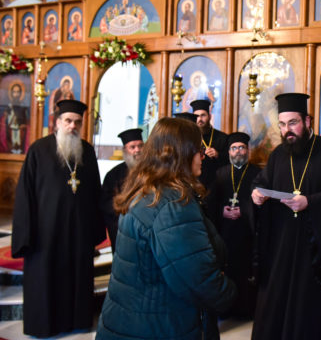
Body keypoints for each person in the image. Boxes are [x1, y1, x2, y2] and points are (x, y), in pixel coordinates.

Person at [96, 117, 237, 340]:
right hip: (159, 323)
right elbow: (197, 278)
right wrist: (228, 292)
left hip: (133, 318)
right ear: (181, 153)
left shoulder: (147, 188)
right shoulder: (172, 204)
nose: (202, 156)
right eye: (199, 150)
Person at [251, 92, 321, 340]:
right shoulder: (278, 155)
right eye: (282, 124)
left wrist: (310, 202)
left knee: (307, 309)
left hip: (314, 248)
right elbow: (261, 182)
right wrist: (257, 194)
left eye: (293, 123)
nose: (287, 130)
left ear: (307, 121)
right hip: (281, 246)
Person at [12, 99, 105, 337]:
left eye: (77, 122)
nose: (72, 126)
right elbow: (25, 194)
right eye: (68, 121)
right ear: (57, 122)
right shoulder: (38, 150)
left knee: (76, 279)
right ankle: (44, 325)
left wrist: (95, 232)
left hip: (78, 234)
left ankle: (77, 321)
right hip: (45, 234)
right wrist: (25, 235)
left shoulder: (87, 152)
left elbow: (96, 192)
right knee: (46, 280)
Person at [208, 132, 261, 318]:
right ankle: (226, 309)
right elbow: (211, 204)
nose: (238, 151)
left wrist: (244, 211)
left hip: (247, 233)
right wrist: (223, 211)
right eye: (234, 148)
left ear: (248, 150)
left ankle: (245, 311)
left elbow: (261, 205)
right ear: (229, 152)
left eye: (241, 147)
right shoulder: (220, 173)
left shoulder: (257, 173)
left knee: (245, 271)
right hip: (225, 232)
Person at [100, 128, 144, 253]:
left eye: (140, 146)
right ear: (125, 150)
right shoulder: (113, 175)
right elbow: (106, 204)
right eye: (132, 147)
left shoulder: (153, 171)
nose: (137, 150)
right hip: (123, 229)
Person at [191, 99, 228, 189]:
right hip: (195, 183)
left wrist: (218, 155)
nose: (200, 119)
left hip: (218, 183)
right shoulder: (189, 137)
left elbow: (230, 161)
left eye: (203, 115)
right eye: (196, 116)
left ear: (210, 116)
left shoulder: (223, 137)